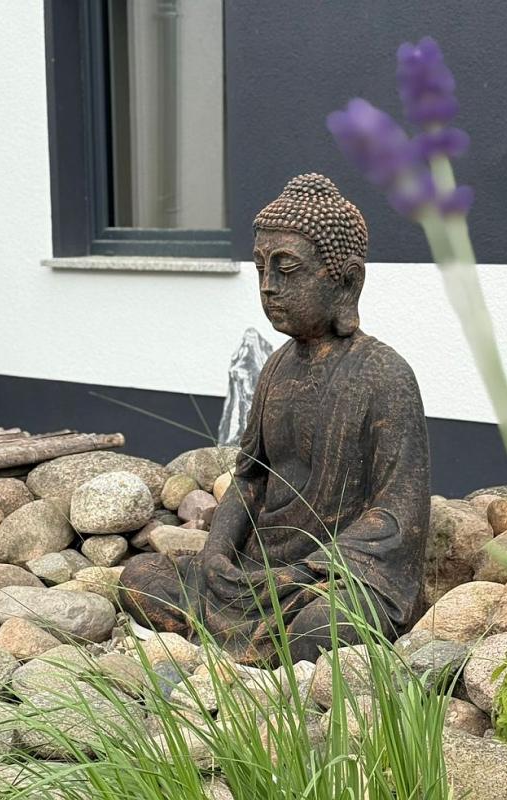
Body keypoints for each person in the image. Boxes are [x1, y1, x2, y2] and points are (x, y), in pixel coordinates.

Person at [121, 173, 430, 665]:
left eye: (287, 270)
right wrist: (219, 555)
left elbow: (397, 516)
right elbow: (250, 481)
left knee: (328, 624)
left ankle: (245, 652)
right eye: (261, 267)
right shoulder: (276, 367)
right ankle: (254, 650)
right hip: (257, 570)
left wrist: (307, 571)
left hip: (330, 576)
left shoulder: (384, 376)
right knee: (140, 580)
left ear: (348, 281)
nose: (268, 287)